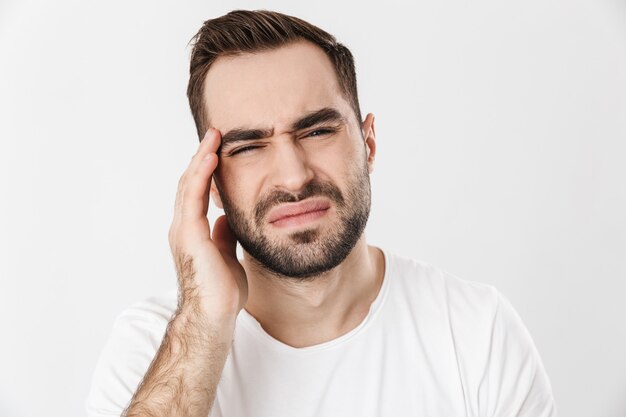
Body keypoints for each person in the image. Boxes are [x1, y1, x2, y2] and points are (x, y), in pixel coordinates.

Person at [86, 9, 556, 417]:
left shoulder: (475, 332)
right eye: (249, 147)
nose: (292, 177)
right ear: (210, 182)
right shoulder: (153, 349)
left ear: (368, 143)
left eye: (316, 132)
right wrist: (206, 318)